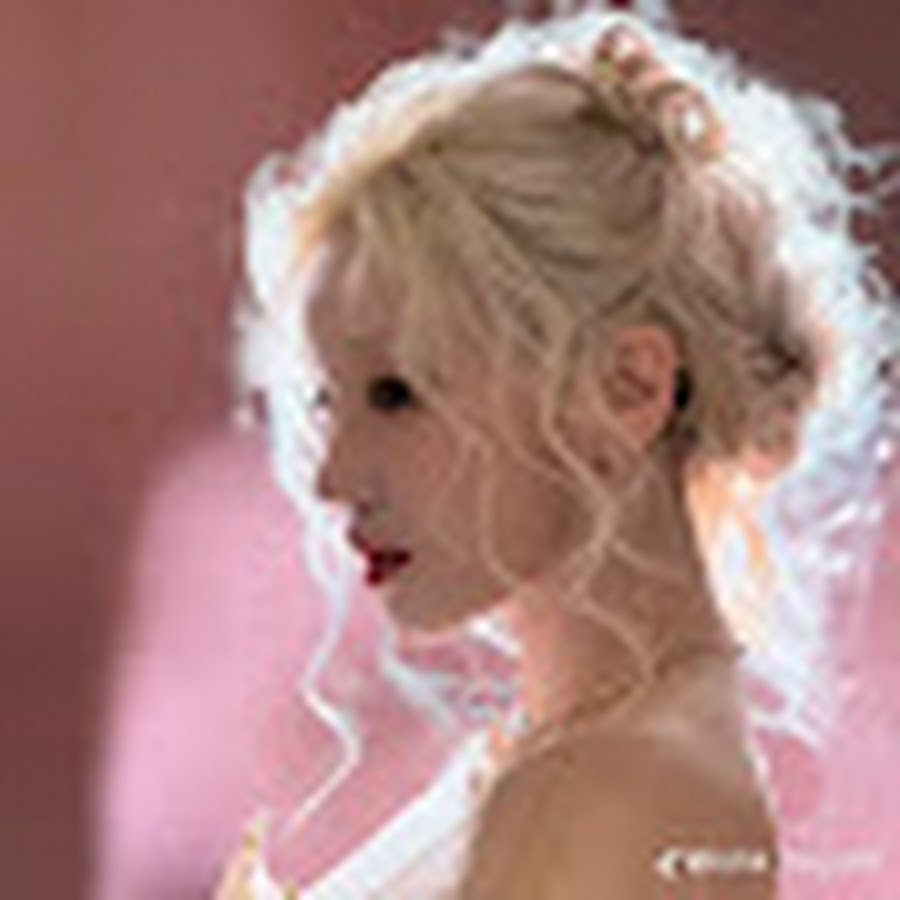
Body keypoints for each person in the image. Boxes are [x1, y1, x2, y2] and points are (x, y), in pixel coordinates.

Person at [217, 2, 900, 897]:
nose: (332, 478)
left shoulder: (616, 793)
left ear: (629, 388)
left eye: (397, 395)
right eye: (326, 403)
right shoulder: (567, 757)